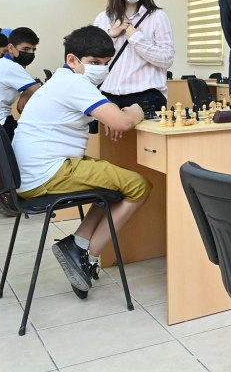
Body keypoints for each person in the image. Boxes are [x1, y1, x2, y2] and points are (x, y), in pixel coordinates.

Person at [13, 25, 151, 298]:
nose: (101, 69)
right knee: (139, 186)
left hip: (32, 173)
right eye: (94, 63)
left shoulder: (62, 80)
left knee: (112, 188)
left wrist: (113, 115)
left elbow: (109, 114)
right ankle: (87, 255)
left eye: (105, 63)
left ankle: (77, 243)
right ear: (72, 60)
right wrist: (136, 110)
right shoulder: (75, 84)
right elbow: (123, 122)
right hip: (49, 174)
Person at [93, 0, 174, 113]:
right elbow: (92, 60)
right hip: (109, 95)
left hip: (147, 96)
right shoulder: (103, 18)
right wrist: (110, 35)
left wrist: (136, 38)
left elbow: (166, 59)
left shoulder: (158, 17)